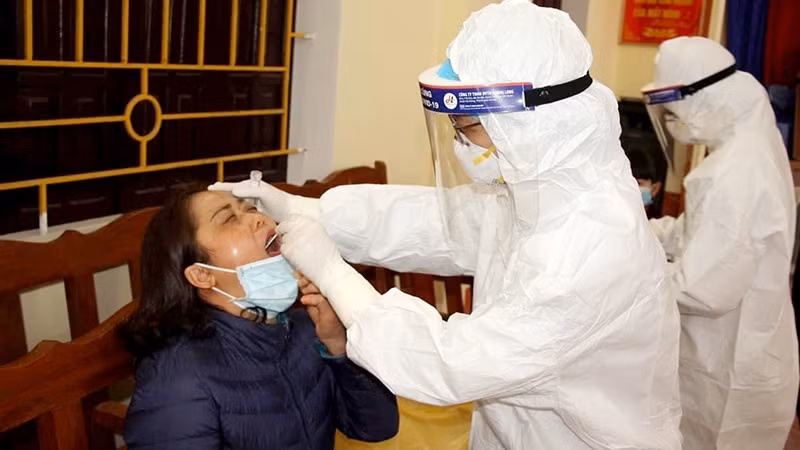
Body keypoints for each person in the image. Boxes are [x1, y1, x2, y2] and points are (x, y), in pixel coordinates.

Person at [213, 2, 682, 448]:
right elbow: (438, 223)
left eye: (469, 126)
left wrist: (334, 274)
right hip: (517, 427)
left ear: (529, 123)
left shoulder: (588, 247)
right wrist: (305, 208)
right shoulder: (541, 186)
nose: (461, 144)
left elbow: (448, 363)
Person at [121, 185, 398, 450]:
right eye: (229, 218)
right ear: (202, 275)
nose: (257, 219)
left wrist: (338, 345)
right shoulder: (177, 376)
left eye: (251, 208)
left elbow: (377, 427)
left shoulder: (305, 328)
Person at [643, 36, 799, 449]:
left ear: (705, 99)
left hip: (730, 366)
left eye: (674, 112)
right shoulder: (746, 150)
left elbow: (702, 288)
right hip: (736, 351)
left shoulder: (736, 172)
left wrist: (631, 268)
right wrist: (648, 234)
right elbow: (706, 232)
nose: (673, 124)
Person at [626, 145, 664, 218]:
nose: (632, 188)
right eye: (628, 184)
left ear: (655, 188)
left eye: (639, 183)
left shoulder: (657, 225)